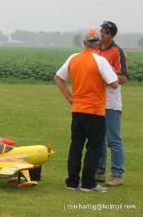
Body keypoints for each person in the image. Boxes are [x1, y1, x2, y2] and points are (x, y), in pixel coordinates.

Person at [54, 29, 119, 192]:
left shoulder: (73, 58)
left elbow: (58, 78)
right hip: (95, 111)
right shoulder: (101, 60)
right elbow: (114, 83)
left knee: (75, 146)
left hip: (77, 110)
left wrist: (69, 97)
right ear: (98, 44)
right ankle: (88, 184)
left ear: (84, 43)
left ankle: (72, 182)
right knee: (94, 147)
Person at [95, 21, 128, 186]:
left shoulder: (117, 51)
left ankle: (117, 175)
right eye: (101, 31)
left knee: (113, 140)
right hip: (96, 101)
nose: (102, 35)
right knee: (98, 138)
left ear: (112, 35)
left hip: (111, 103)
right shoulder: (96, 49)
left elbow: (123, 77)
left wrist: (106, 75)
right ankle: (99, 172)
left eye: (106, 32)